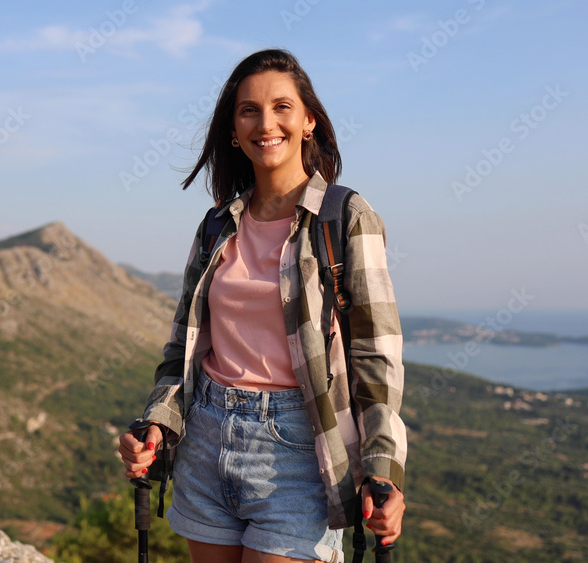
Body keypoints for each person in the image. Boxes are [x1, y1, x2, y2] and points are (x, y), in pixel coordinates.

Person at [119, 48, 407, 563]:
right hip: (205, 437)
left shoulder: (345, 218)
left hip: (300, 449)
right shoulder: (216, 225)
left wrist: (382, 469)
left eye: (282, 107)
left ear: (308, 121)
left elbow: (376, 357)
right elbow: (182, 346)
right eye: (248, 110)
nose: (265, 122)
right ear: (234, 130)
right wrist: (157, 424)